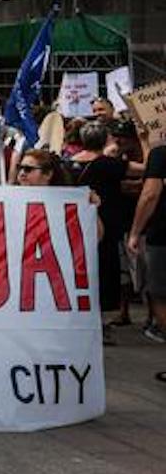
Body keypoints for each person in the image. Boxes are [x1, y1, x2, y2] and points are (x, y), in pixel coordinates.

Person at [64, 122, 141, 344]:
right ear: (105, 140)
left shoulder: (70, 162)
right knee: (103, 275)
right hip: (103, 229)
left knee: (81, 275)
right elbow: (146, 169)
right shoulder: (107, 164)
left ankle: (80, 323)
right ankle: (97, 325)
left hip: (75, 229)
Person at [126, 139, 166, 345]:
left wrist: (135, 232)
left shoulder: (161, 154)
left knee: (159, 292)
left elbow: (150, 194)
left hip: (162, 235)